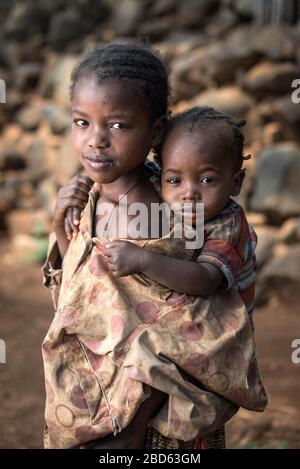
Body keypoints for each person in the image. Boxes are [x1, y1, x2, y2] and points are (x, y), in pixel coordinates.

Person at [42, 42, 267, 450]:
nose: (96, 141)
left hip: (150, 425)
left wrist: (131, 428)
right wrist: (61, 224)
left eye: (117, 125)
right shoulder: (93, 194)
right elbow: (78, 296)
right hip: (98, 398)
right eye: (81, 122)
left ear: (155, 130)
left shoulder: (160, 215)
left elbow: (173, 330)